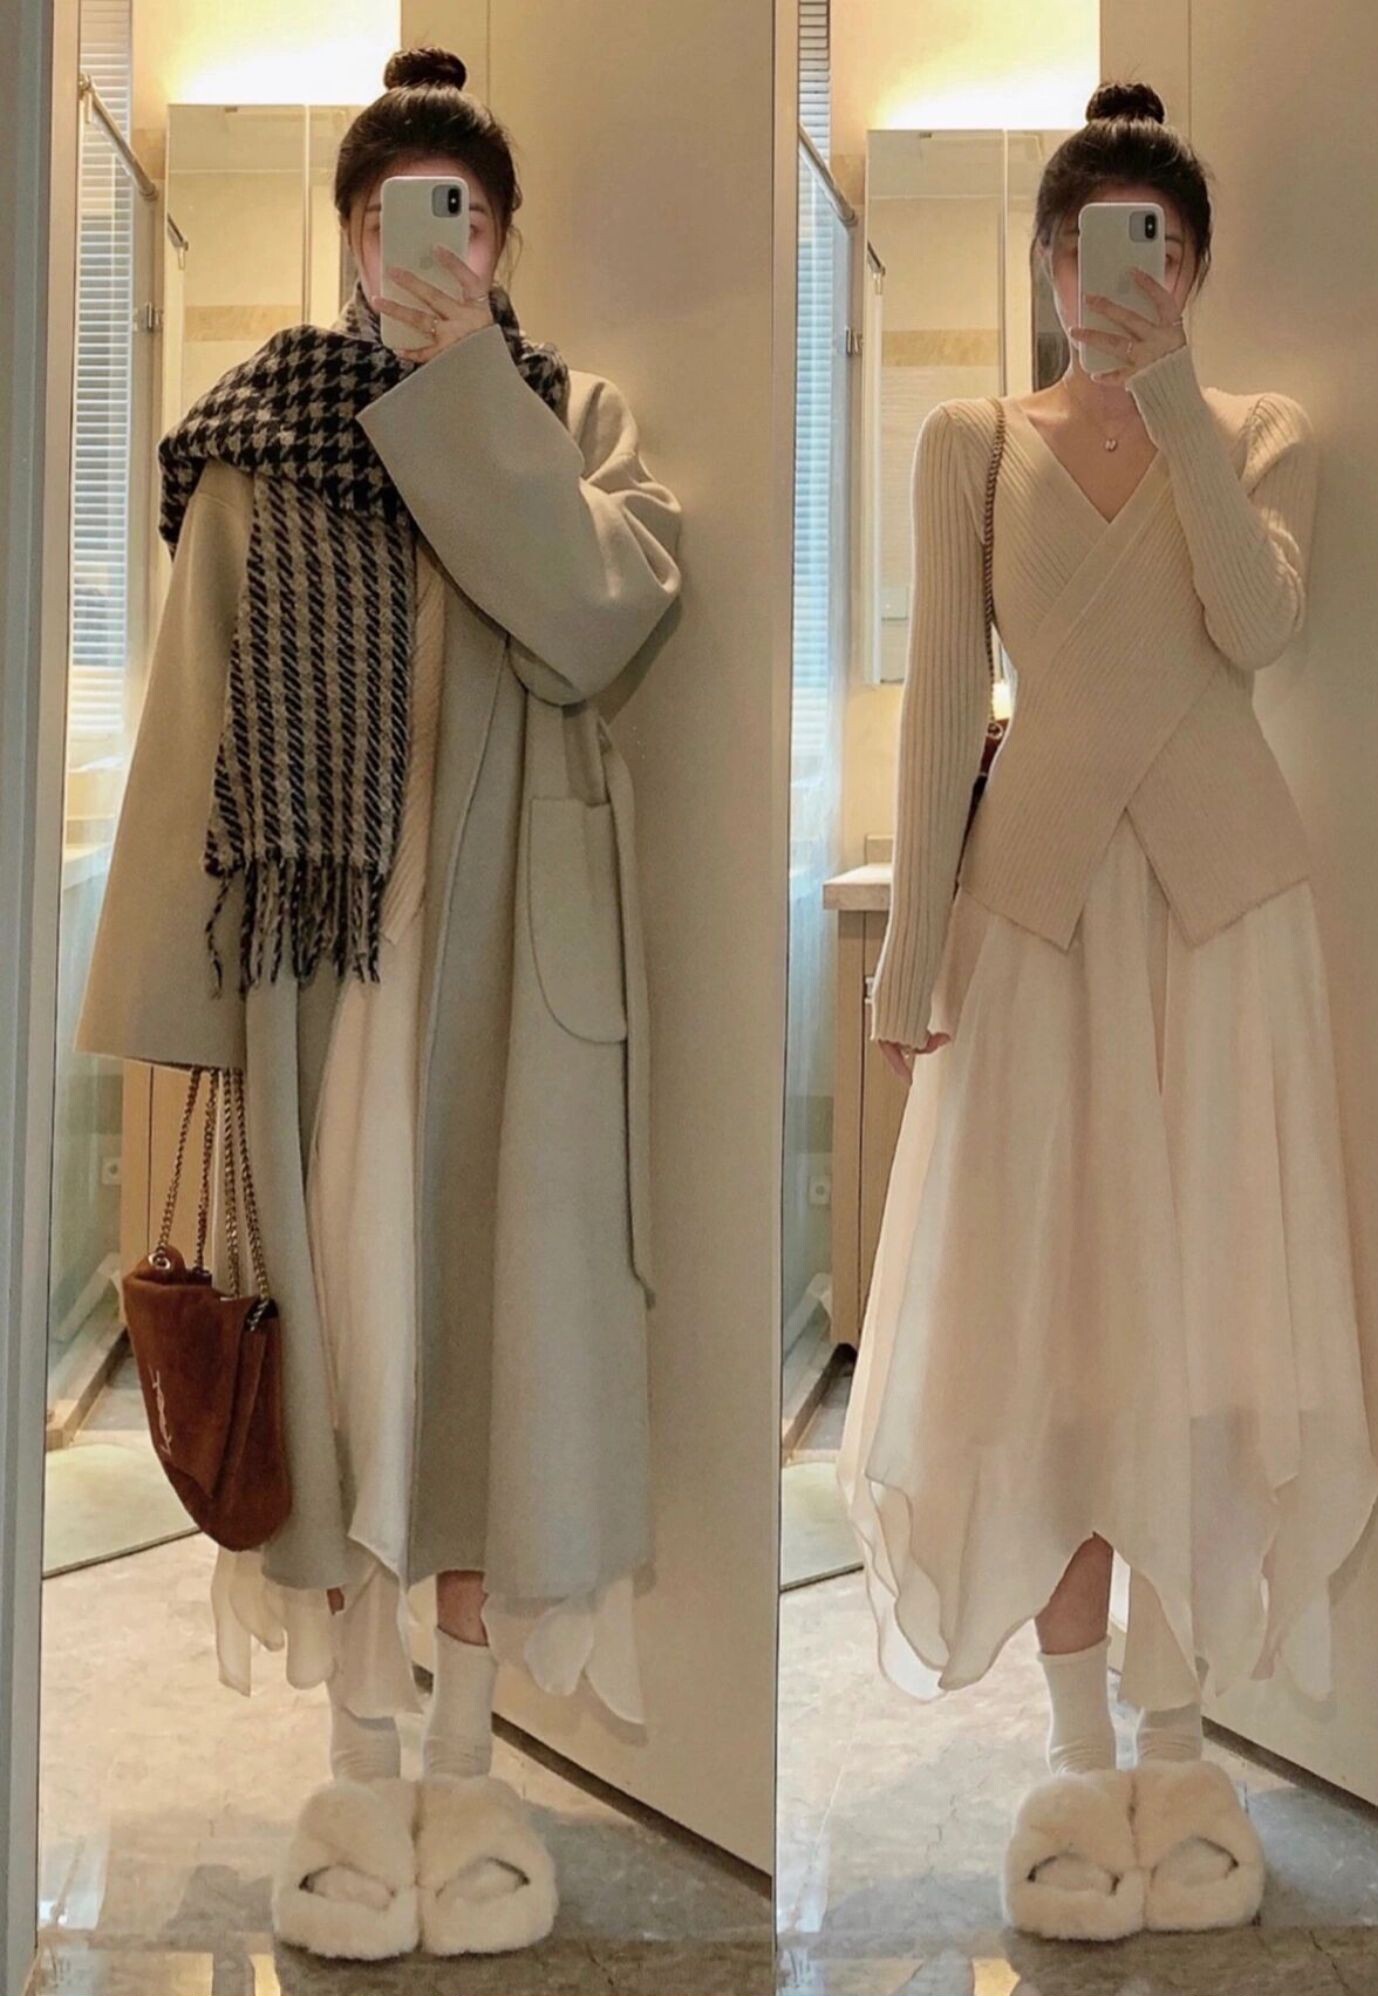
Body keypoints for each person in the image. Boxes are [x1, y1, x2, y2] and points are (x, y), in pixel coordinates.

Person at [75, 42, 682, 1947]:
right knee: (343, 1367)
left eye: (469, 218)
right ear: (349, 235)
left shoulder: (568, 417)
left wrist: (463, 400)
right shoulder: (256, 434)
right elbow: (192, 735)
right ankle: (355, 1775)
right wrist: (178, 1043)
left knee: (494, 1366)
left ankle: (475, 1779)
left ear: (503, 244)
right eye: (405, 216)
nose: (438, 247)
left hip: (516, 987)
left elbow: (597, 622)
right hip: (318, 989)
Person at [835, 78, 1378, 1937]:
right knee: (1050, 1342)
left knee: (1207, 1330)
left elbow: (1261, 628)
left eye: (1150, 248)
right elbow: (937, 716)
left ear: (1191, 269)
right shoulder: (967, 440)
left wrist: (1177, 407)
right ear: (1048, 264)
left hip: (1225, 928)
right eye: (1083, 249)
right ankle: (1076, 1757)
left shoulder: (1262, 432)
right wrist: (909, 961)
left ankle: (1181, 1743)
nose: (1113, 277)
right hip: (1036, 931)